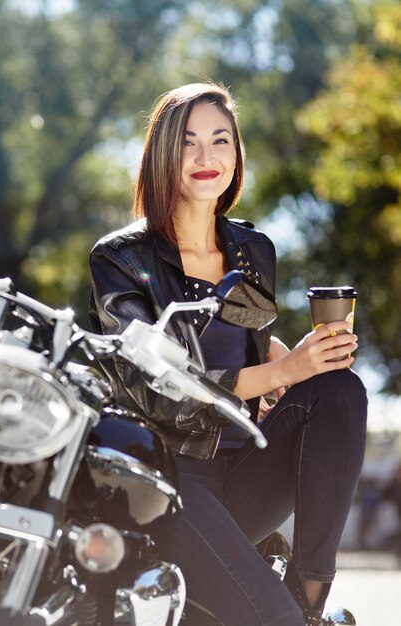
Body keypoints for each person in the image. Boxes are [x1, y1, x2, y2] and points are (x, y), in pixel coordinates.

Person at [88, 82, 368, 626]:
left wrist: (300, 361)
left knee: (340, 388)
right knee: (268, 620)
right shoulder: (121, 258)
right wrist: (281, 371)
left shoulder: (252, 249)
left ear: (236, 154)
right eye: (188, 142)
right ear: (163, 153)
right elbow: (158, 385)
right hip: (169, 478)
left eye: (220, 140)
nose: (205, 157)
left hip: (244, 468)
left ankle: (309, 596)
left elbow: (244, 328)